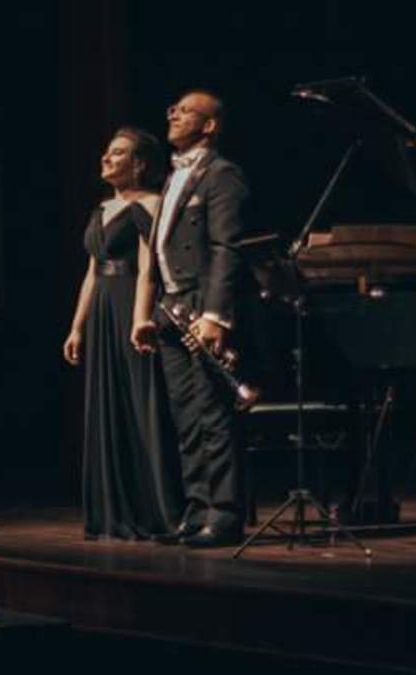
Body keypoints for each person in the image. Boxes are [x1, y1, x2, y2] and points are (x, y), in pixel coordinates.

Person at [131, 90, 269, 547]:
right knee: (185, 416)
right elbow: (158, 252)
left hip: (202, 307)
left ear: (209, 126)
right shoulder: (172, 178)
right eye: (172, 107)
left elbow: (226, 249)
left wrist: (215, 315)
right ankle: (196, 509)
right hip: (171, 309)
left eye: (186, 110)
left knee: (212, 413)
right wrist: (149, 314)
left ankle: (224, 514)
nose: (173, 113)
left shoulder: (222, 175)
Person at [63, 127, 184, 540]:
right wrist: (77, 327)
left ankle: (158, 510)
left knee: (142, 402)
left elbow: (150, 268)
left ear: (139, 164)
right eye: (106, 152)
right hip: (101, 310)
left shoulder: (150, 204)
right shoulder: (101, 209)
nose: (106, 159)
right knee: (108, 402)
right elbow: (91, 273)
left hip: (132, 305)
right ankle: (112, 510)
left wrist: (139, 318)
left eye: (117, 154)